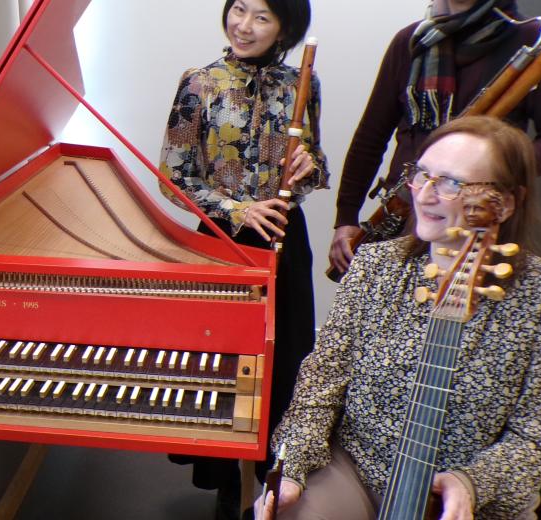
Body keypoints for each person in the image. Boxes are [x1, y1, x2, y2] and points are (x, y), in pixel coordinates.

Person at [256, 116, 541, 520]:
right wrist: (293, 470)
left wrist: (472, 482)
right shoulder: (376, 265)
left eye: (452, 183)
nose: (424, 195)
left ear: (506, 202)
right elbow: (319, 385)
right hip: (360, 469)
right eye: (422, 175)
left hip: (471, 494)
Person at [157, 0, 327, 518]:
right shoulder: (199, 84)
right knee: (224, 365)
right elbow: (174, 180)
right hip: (221, 242)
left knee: (286, 358)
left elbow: (318, 166)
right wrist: (238, 208)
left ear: (285, 28)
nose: (243, 25)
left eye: (261, 17)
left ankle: (276, 473)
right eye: (238, 9)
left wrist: (307, 164)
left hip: (282, 238)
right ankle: (229, 478)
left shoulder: (303, 84)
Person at [327, 0, 541, 275]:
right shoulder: (411, 41)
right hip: (407, 209)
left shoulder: (533, 40)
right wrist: (346, 217)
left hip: (478, 219)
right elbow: (370, 137)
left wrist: (489, 163)